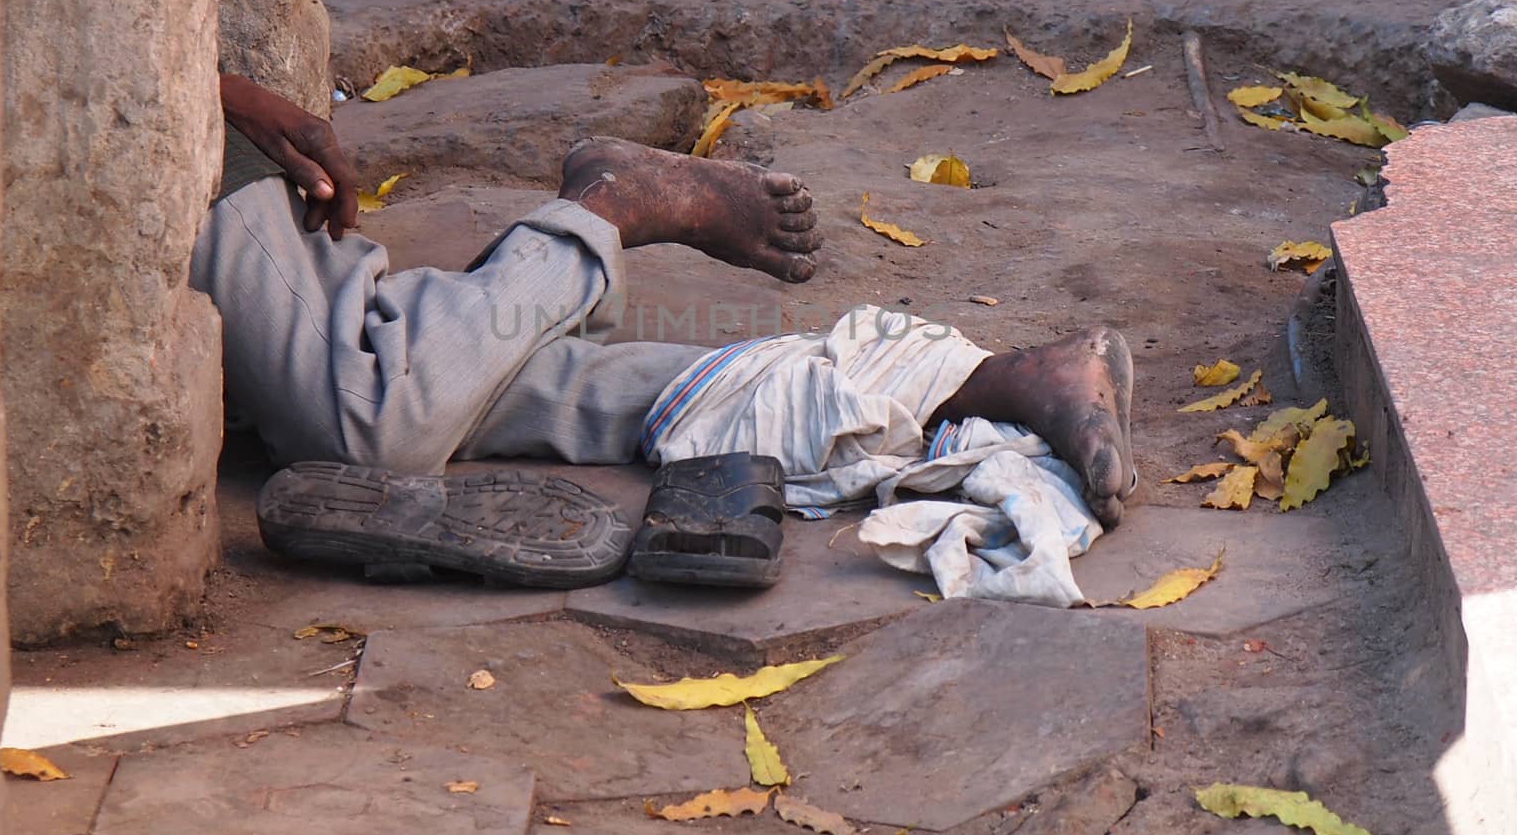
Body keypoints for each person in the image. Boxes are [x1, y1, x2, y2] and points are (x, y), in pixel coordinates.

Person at [198, 75, 1136, 585]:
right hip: (193, 153)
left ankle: (607, 206)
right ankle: (991, 380)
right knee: (564, 394)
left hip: (199, 174)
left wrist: (212, 88)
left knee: (377, 415)